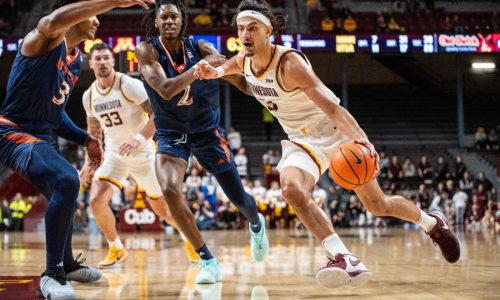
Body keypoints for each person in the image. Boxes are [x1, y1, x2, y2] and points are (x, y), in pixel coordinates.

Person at [195, 0, 460, 289]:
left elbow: (334, 108)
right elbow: (233, 64)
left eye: (253, 28)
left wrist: (363, 140)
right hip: (301, 140)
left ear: (268, 30)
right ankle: (343, 257)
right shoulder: (244, 59)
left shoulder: (290, 63)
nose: (245, 34)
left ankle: (432, 224)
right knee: (290, 189)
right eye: (241, 28)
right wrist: (216, 73)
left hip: (334, 133)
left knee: (377, 204)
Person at [0, 0, 155, 298]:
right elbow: (54, 19)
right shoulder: (43, 38)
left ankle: (67, 264)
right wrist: (116, 2)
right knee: (67, 179)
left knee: (67, 194)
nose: (97, 22)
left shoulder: (73, 62)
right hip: (13, 131)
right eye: (93, 15)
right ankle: (52, 275)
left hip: (43, 134)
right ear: (77, 14)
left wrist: (86, 139)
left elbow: (56, 115)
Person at [136, 0, 269, 284]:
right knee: (170, 189)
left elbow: (244, 85)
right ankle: (207, 260)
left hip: (207, 132)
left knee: (238, 199)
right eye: (164, 18)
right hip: (171, 133)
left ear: (183, 20)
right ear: (156, 22)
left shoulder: (204, 49)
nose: (170, 21)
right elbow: (165, 89)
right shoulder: (146, 50)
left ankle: (256, 224)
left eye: (175, 17)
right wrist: (198, 70)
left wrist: (270, 83)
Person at [80, 42, 199, 269]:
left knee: (164, 211)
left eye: (106, 58)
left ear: (113, 61)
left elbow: (158, 115)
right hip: (115, 154)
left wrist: (139, 139)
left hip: (143, 153)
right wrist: (89, 163)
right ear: (91, 63)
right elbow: (94, 132)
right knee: (96, 200)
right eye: (98, 59)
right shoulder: (89, 96)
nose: (103, 62)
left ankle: (191, 242)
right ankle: (116, 248)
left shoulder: (129, 85)